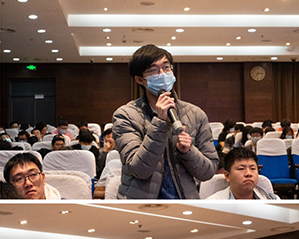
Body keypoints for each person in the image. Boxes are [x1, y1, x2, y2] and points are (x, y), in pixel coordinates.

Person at [112, 44, 218, 199]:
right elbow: (139, 170)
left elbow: (208, 172)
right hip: (140, 205)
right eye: (154, 70)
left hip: (184, 203)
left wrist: (188, 152)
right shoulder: (125, 115)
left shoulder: (195, 114)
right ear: (140, 80)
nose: (162, 74)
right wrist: (160, 123)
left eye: (166, 67)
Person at [207, 147, 279, 200]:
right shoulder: (212, 204)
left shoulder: (272, 200)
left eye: (252, 168)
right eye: (241, 169)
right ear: (227, 176)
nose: (248, 173)